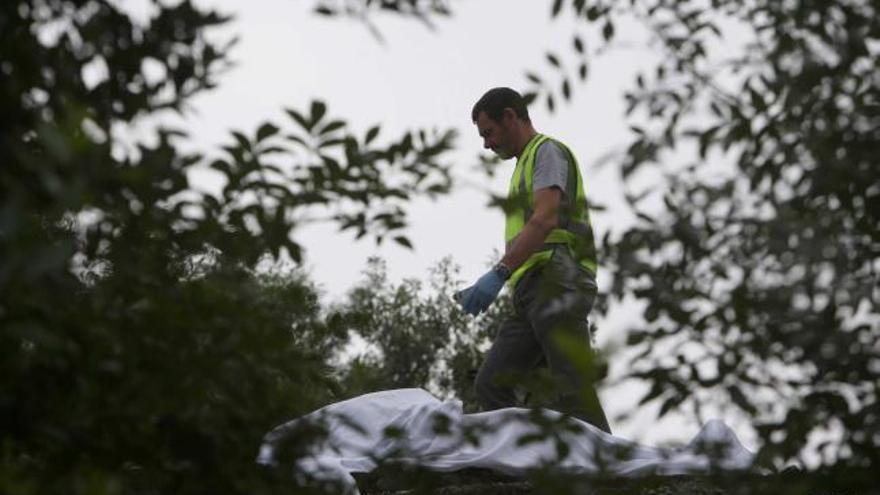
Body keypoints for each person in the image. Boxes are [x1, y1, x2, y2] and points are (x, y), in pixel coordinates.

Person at [456, 87, 611, 433]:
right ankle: (523, 467)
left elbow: (545, 220)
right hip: (530, 289)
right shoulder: (523, 166)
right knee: (491, 385)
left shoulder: (547, 153)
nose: (486, 144)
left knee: (570, 387)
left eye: (488, 133)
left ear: (510, 117)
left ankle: (612, 475)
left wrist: (497, 274)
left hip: (557, 278)